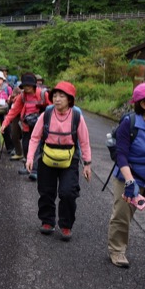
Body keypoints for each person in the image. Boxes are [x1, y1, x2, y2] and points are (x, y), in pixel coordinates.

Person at [107, 82, 145, 288]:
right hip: (131, 176)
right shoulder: (130, 123)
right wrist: (130, 180)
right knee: (122, 216)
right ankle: (117, 250)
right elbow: (121, 153)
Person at [26, 81, 92, 240]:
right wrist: (30, 158)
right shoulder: (46, 114)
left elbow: (84, 141)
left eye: (62, 96)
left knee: (68, 192)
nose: (57, 99)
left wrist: (87, 164)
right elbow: (34, 137)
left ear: (70, 99)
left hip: (69, 159)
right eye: (55, 95)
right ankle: (47, 221)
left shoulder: (77, 116)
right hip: (47, 157)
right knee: (46, 191)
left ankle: (66, 225)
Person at [1, 73, 50, 179]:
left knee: (37, 147)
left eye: (29, 85)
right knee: (26, 146)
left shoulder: (43, 94)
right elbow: (14, 111)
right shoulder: (22, 96)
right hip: (27, 125)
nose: (27, 88)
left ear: (34, 85)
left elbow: (52, 108)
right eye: (25, 86)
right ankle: (28, 166)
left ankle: (35, 170)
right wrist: (5, 124)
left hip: (40, 126)